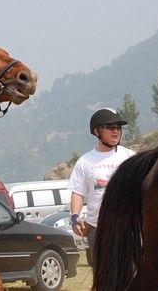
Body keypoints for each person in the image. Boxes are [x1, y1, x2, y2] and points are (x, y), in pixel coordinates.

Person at [67, 108, 136, 266]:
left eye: (118, 128)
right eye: (110, 127)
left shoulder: (131, 157)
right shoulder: (85, 162)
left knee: (130, 274)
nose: (115, 131)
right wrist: (75, 218)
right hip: (97, 229)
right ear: (96, 131)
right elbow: (78, 193)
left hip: (127, 227)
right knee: (102, 275)